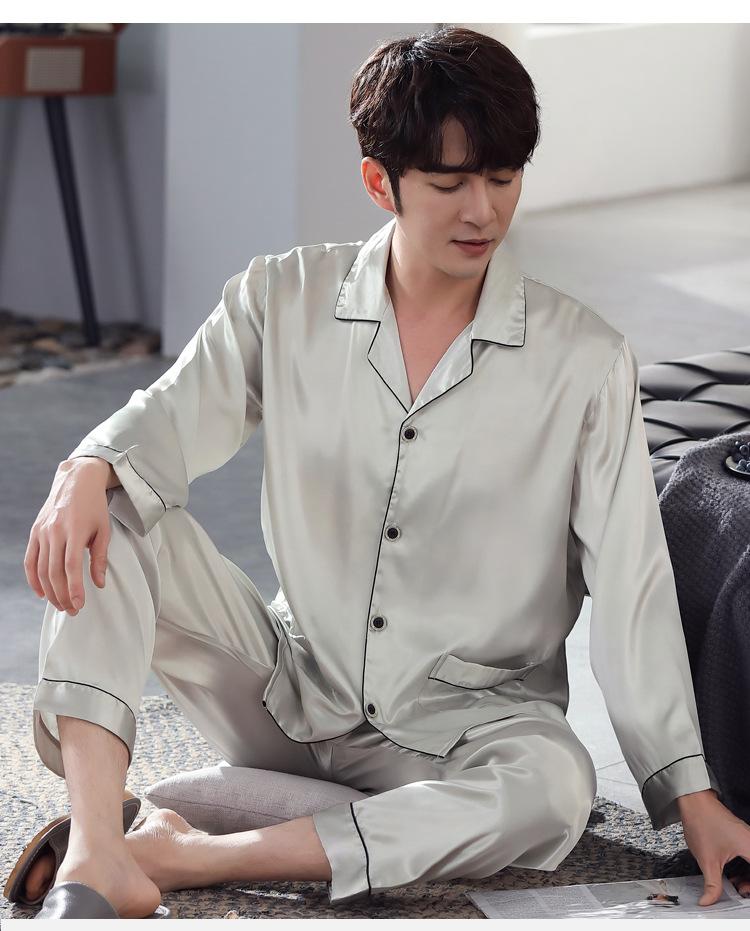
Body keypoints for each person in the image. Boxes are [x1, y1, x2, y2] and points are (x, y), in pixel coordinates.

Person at [11, 25, 750, 919]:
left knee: (556, 785)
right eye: (448, 182)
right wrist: (89, 466)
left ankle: (181, 852)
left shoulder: (584, 362)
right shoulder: (281, 299)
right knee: (111, 509)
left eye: (503, 178)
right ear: (379, 182)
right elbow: (163, 421)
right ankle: (97, 848)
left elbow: (633, 587)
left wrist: (689, 792)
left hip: (466, 731)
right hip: (288, 689)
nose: (482, 211)